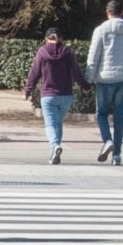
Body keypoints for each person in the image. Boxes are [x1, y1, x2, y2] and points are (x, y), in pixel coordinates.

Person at [86, 0, 123, 162]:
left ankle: (107, 140)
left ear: (107, 12)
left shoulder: (101, 30)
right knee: (119, 116)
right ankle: (117, 155)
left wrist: (89, 78)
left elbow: (93, 56)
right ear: (122, 12)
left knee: (101, 113)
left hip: (105, 78)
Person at [25, 27, 81, 163]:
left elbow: (34, 73)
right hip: (66, 96)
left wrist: (28, 90)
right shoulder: (68, 52)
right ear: (61, 38)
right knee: (58, 123)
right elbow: (76, 72)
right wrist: (85, 86)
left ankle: (55, 145)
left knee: (50, 124)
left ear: (46, 39)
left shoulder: (42, 51)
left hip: (48, 95)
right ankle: (54, 154)